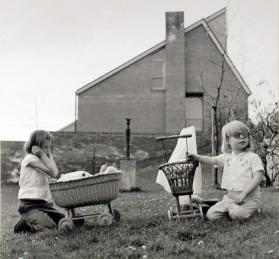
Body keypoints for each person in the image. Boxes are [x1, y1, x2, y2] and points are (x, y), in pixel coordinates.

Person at [189, 120, 264, 220]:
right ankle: (227, 209)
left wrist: (243, 194)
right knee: (211, 215)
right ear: (228, 140)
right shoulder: (227, 157)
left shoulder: (253, 157)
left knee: (237, 215)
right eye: (237, 135)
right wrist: (197, 157)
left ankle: (252, 210)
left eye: (245, 134)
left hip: (249, 198)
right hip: (230, 198)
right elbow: (212, 160)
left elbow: (258, 177)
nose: (242, 137)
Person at [14, 130, 65, 233]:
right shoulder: (29, 159)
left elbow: (54, 172)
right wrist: (43, 155)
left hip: (44, 205)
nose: (48, 151)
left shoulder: (42, 160)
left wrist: (48, 154)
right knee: (51, 227)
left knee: (63, 220)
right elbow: (53, 172)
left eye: (49, 148)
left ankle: (37, 220)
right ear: (35, 147)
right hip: (29, 205)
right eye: (46, 147)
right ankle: (25, 224)